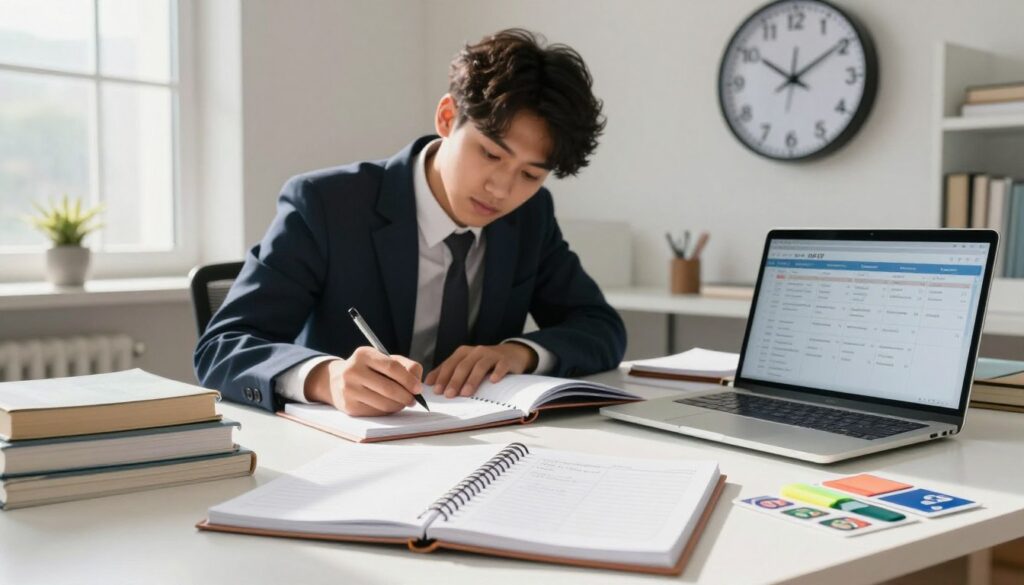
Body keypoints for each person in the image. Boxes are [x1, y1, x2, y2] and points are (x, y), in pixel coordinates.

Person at [194, 29, 626, 416]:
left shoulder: (530, 217)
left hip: (478, 445)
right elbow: (222, 347)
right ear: (445, 118)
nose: (501, 188)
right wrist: (325, 379)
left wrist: (522, 353)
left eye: (530, 174)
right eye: (491, 154)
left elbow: (600, 327)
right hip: (340, 453)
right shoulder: (326, 205)